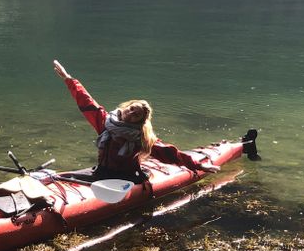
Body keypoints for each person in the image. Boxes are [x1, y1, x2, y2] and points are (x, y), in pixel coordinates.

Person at [53, 59, 220, 183]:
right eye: (131, 108)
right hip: (102, 172)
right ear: (126, 106)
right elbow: (87, 103)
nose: (131, 113)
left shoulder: (141, 136)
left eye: (136, 114)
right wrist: (69, 80)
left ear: (140, 121)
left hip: (128, 179)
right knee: (58, 177)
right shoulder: (106, 122)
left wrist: (199, 165)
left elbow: (169, 153)